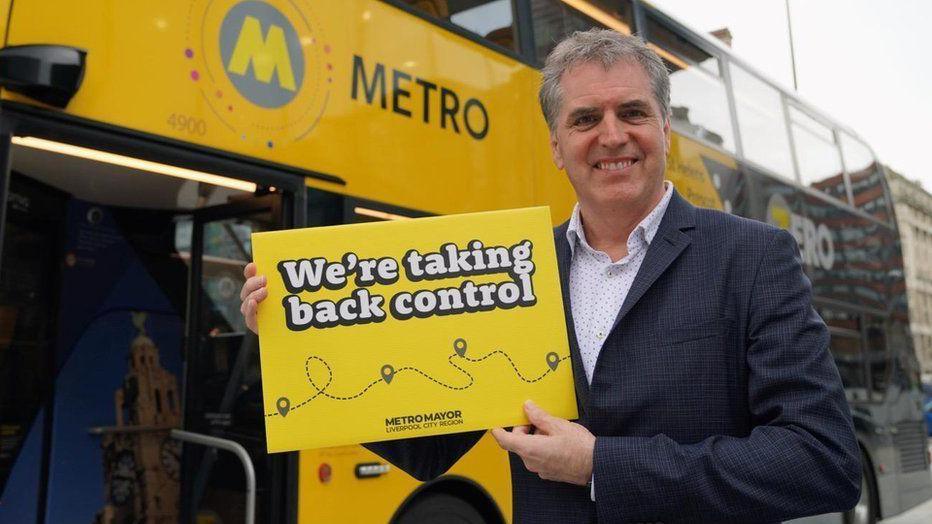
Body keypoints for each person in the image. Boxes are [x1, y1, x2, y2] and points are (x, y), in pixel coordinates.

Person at [240, 29, 860, 523]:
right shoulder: (514, 269)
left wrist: (601, 466)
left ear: (665, 131)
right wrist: (297, 339)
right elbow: (426, 449)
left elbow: (822, 461)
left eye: (633, 112)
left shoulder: (753, 258)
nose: (612, 135)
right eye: (586, 119)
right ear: (557, 147)